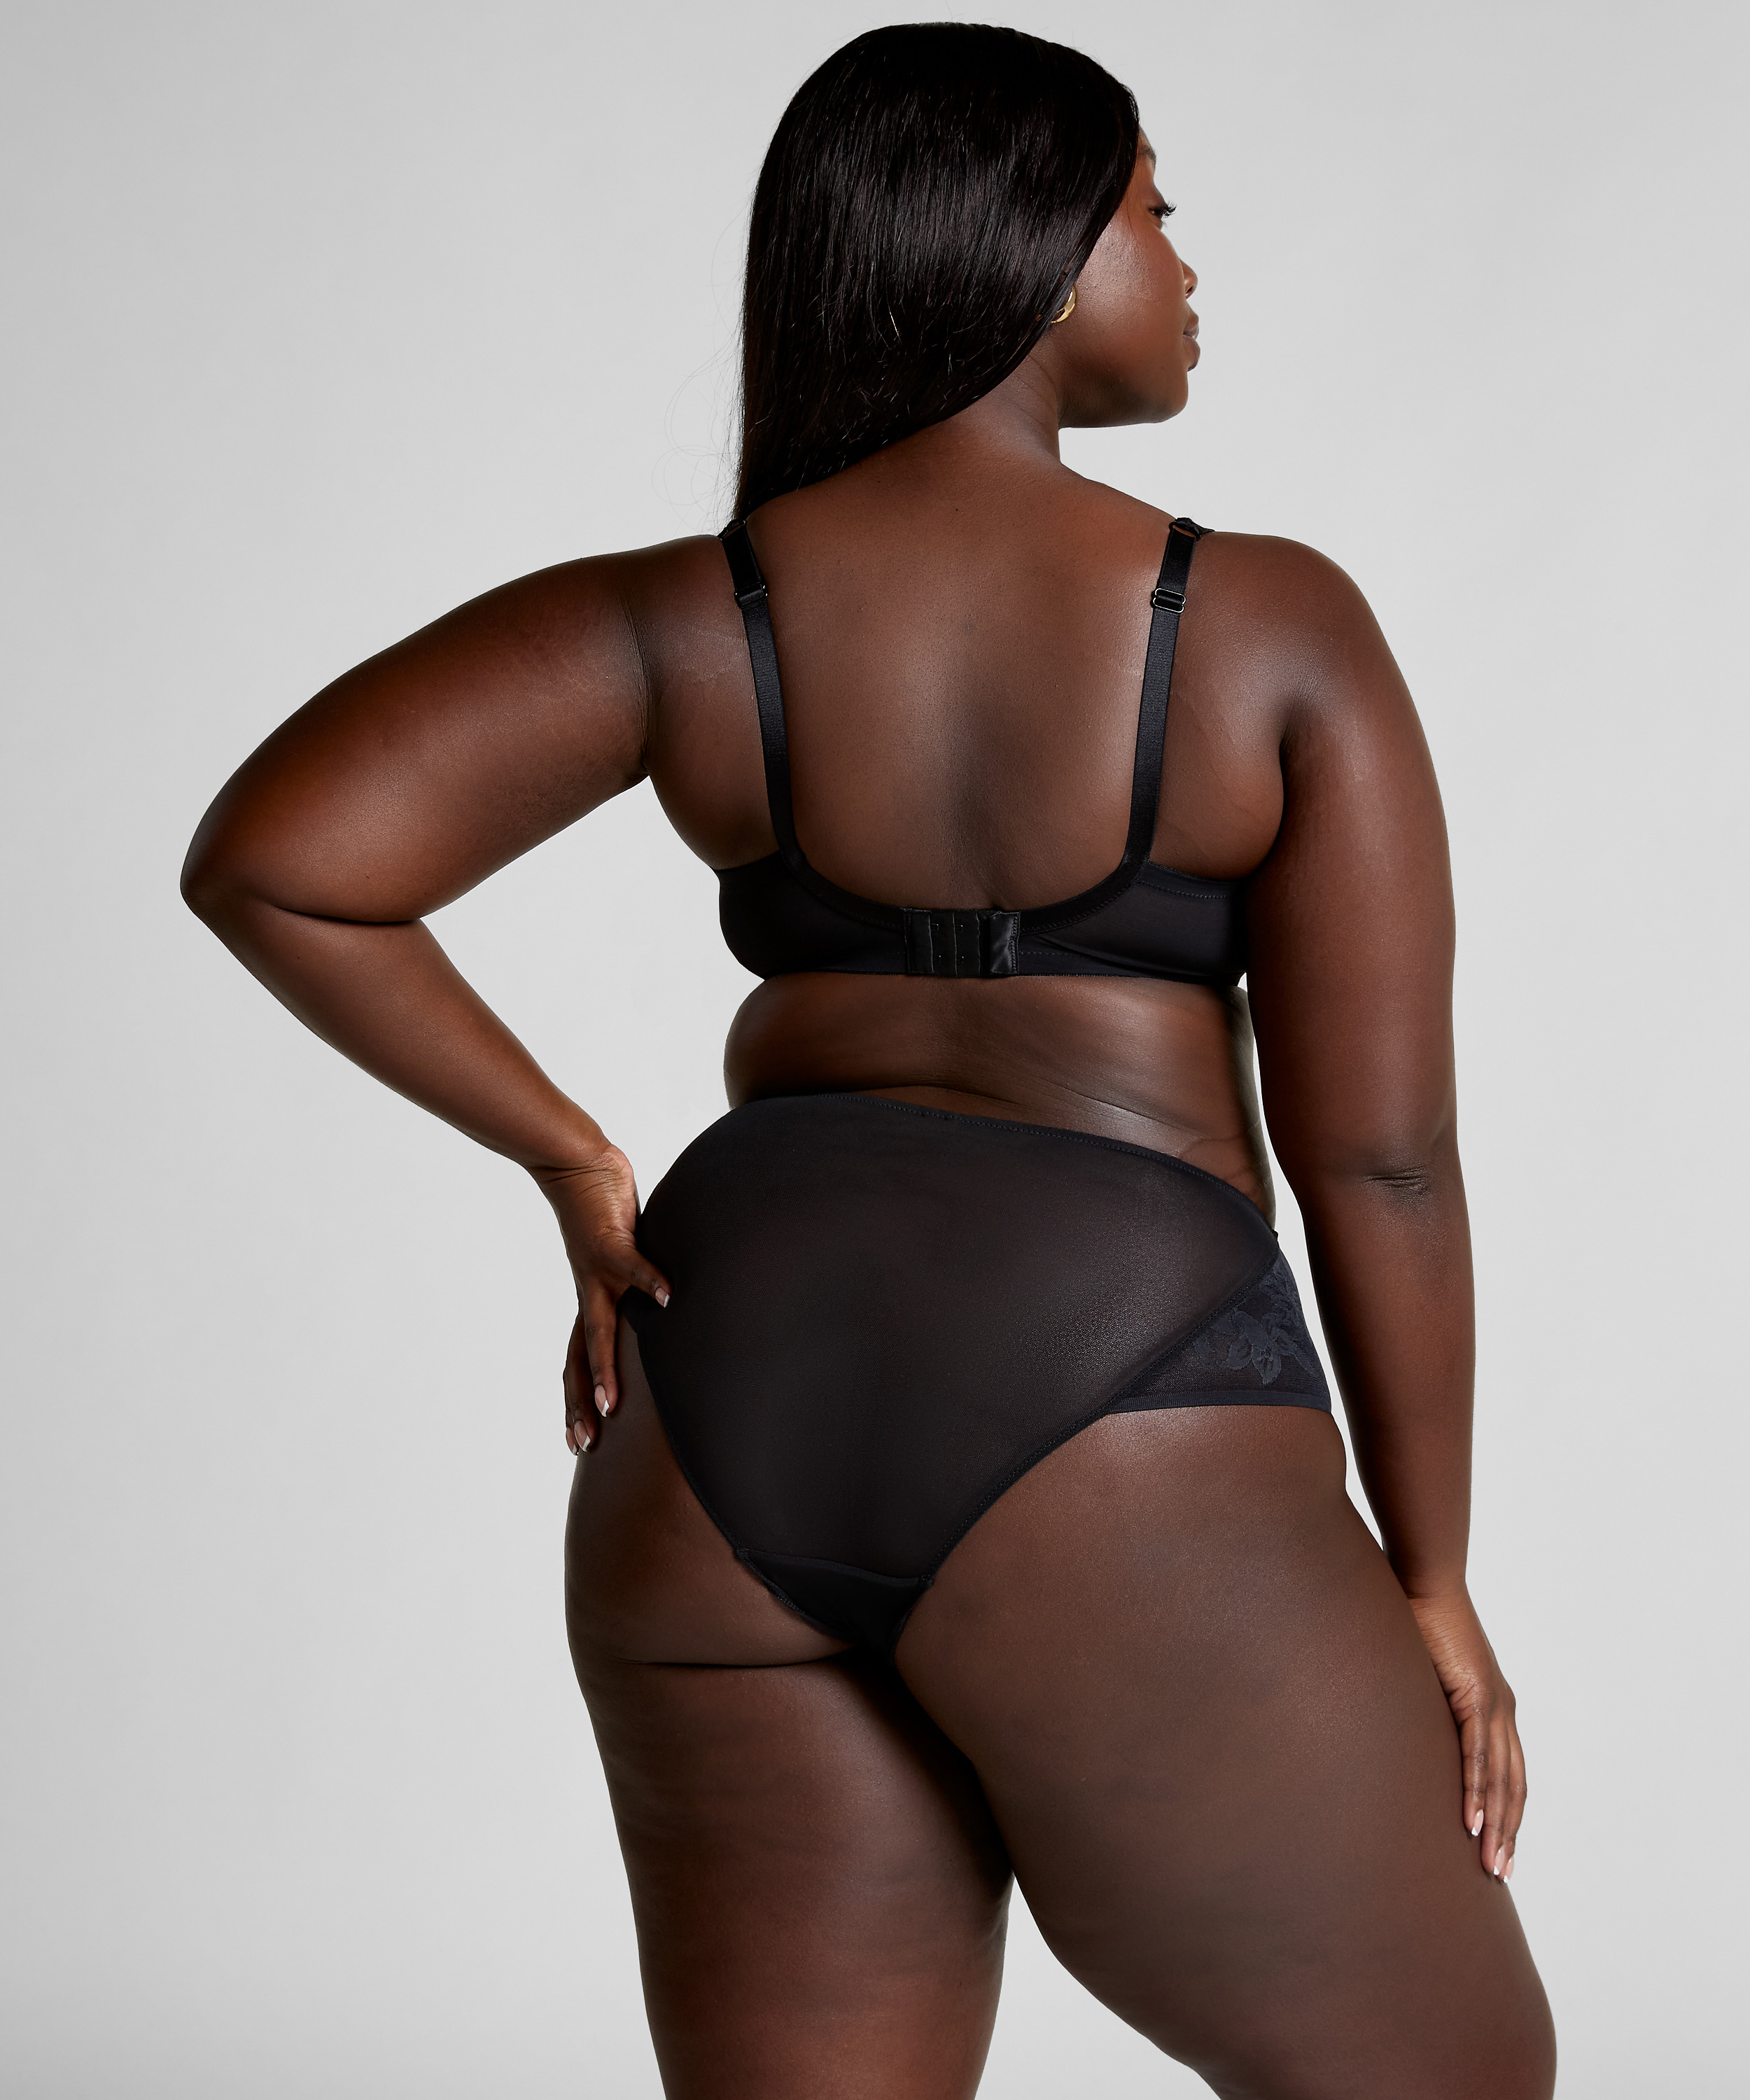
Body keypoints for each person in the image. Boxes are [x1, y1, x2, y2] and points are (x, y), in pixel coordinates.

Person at [181, 23, 1556, 2099]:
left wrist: (574, 1157)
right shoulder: (1267, 628)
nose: (1187, 264)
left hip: (721, 1403)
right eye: (1154, 212)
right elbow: (1379, 1160)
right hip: (1110, 1390)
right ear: (1032, 253)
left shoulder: (690, 620)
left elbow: (280, 862)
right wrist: (1431, 1578)